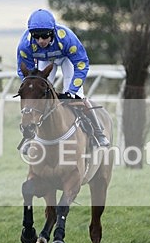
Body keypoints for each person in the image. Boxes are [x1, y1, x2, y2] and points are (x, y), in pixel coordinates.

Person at [16, 8, 109, 147]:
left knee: (77, 97)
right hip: (45, 61)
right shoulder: (25, 45)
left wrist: (71, 91)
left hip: (67, 59)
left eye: (44, 36)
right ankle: (30, 137)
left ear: (52, 32)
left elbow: (81, 64)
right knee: (38, 96)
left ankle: (98, 133)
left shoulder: (67, 39)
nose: (40, 41)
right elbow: (27, 74)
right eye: (36, 36)